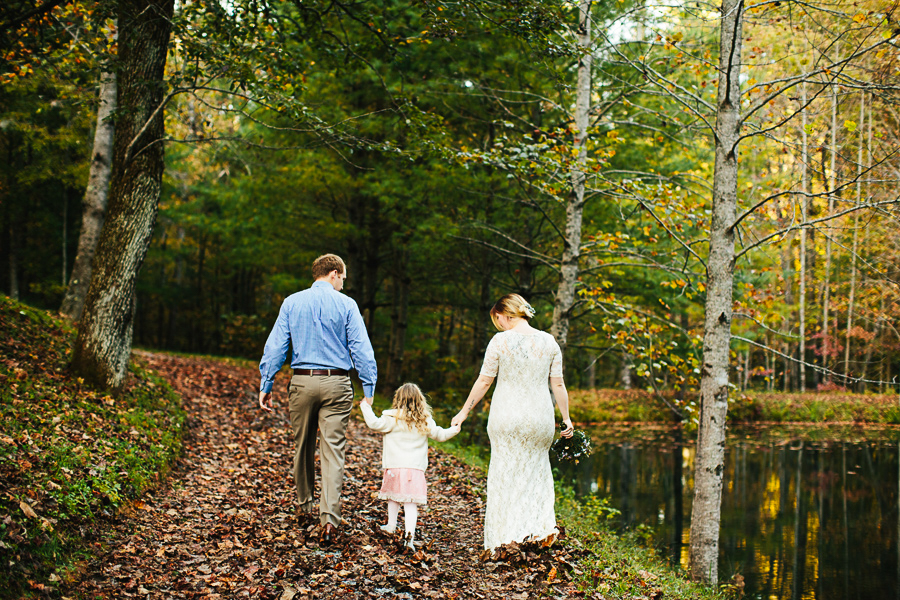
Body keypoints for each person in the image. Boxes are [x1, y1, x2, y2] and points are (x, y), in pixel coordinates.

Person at [258, 253, 377, 545]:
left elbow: (276, 345)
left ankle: (303, 507)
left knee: (303, 446)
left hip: (301, 381)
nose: (343, 285)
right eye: (343, 279)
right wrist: (369, 386)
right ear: (334, 273)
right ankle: (329, 520)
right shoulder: (347, 305)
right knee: (333, 450)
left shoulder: (291, 302)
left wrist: (267, 381)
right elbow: (361, 349)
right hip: (337, 382)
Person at [451, 293, 574, 550]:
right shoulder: (549, 342)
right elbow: (558, 384)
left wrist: (463, 413)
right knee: (536, 472)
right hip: (539, 419)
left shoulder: (499, 342)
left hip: (506, 416)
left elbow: (485, 381)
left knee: (505, 473)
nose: (500, 326)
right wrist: (566, 419)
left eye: (499, 320)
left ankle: (503, 539)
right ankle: (536, 534)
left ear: (505, 315)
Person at [360, 383, 460, 551]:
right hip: (414, 469)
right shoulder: (424, 421)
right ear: (420, 400)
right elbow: (440, 435)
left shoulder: (391, 419)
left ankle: (391, 525)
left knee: (393, 497)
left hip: (394, 467)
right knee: (410, 503)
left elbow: (374, 424)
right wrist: (454, 429)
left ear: (397, 399)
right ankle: (409, 537)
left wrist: (365, 406)